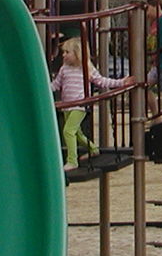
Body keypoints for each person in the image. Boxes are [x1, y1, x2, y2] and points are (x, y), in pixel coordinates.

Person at [52, 36, 133, 171]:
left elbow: (102, 81)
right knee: (77, 133)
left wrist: (121, 82)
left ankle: (72, 161)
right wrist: (43, 88)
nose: (64, 55)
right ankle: (93, 148)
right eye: (63, 52)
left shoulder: (87, 68)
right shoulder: (64, 69)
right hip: (67, 106)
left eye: (67, 52)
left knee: (68, 131)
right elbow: (56, 85)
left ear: (78, 53)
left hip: (79, 105)